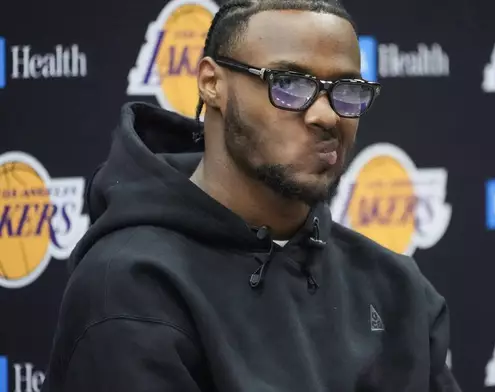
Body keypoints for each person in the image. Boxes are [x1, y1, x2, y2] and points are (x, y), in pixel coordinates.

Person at [43, 0, 461, 391]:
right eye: (290, 84)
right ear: (212, 84)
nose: (326, 116)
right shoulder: (130, 287)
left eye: (347, 89)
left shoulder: (399, 289)